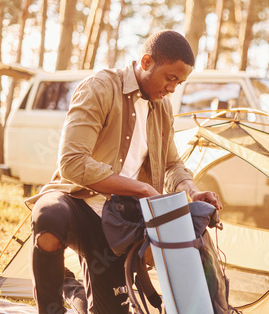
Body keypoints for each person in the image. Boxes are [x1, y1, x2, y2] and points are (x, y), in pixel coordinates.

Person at [26, 30, 222, 314]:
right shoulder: (100, 87)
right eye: (170, 78)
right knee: (48, 218)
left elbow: (172, 164)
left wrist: (192, 191)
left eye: (179, 82)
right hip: (76, 203)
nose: (173, 89)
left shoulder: (162, 108)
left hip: (117, 222)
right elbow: (72, 161)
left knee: (108, 310)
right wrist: (141, 189)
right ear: (146, 62)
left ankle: (72, 288)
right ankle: (50, 309)